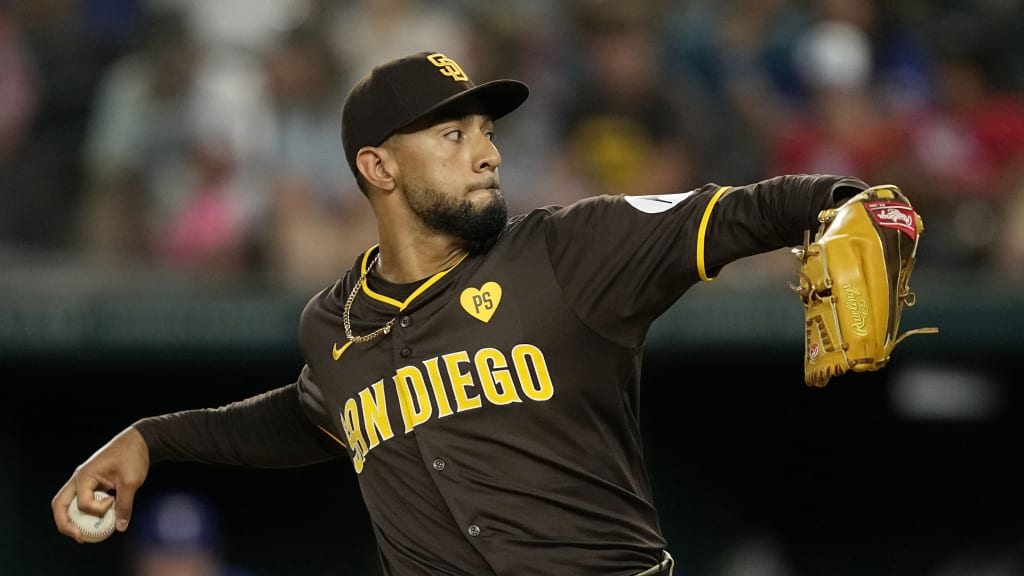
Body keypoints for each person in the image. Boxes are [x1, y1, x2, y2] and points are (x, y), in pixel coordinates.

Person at [53, 50, 875, 575]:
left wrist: (849, 202)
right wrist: (153, 439)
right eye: (452, 135)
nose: (487, 151)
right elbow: (312, 416)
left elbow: (733, 210)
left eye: (485, 130)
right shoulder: (335, 324)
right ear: (377, 166)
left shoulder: (569, 252)